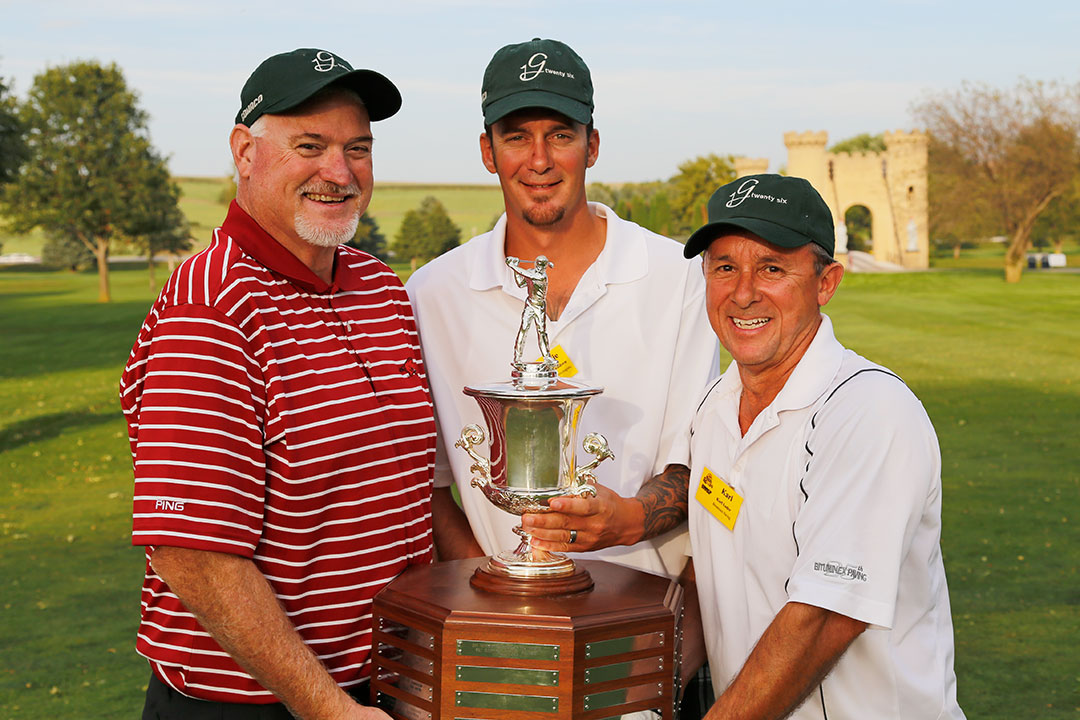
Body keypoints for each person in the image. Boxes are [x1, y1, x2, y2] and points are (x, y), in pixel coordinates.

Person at [119, 48, 434, 720]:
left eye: (358, 148)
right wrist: (327, 707)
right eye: (310, 145)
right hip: (260, 703)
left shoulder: (380, 290)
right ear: (245, 152)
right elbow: (192, 553)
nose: (339, 172)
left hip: (386, 682)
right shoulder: (212, 305)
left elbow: (408, 489)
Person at [631, 174, 965, 718]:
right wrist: (637, 695)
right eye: (724, 267)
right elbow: (710, 572)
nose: (743, 293)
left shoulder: (869, 411)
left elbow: (825, 617)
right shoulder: (714, 408)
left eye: (772, 268)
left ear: (825, 282)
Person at [406, 35, 716, 578]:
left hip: (640, 620)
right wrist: (494, 586)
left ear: (592, 145)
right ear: (488, 151)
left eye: (561, 135)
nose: (540, 160)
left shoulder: (680, 277)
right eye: (517, 137)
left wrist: (628, 520)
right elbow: (426, 485)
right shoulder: (433, 293)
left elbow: (701, 466)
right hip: (495, 624)